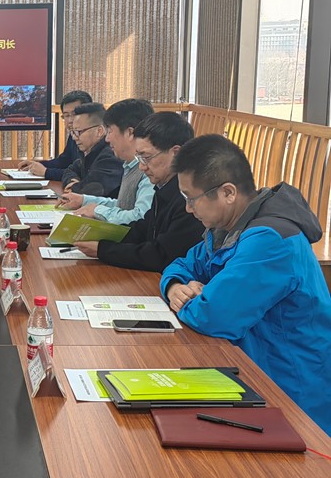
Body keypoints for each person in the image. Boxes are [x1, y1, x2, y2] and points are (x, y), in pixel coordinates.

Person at [161, 135, 331, 435]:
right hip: (253, 369)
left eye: (191, 198)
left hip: (292, 391)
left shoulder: (270, 240)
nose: (188, 209)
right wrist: (175, 287)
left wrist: (195, 300)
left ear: (227, 192)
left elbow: (214, 316)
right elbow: (182, 265)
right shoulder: (226, 230)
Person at [75, 112, 204, 271]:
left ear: (176, 153)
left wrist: (104, 250)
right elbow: (142, 230)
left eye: (146, 157)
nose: (142, 167)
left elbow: (161, 255)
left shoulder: (189, 197)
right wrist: (97, 237)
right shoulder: (163, 187)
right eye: (139, 158)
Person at [57, 98, 154, 224]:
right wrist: (83, 200)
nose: (107, 139)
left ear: (130, 133)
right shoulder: (130, 165)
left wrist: (97, 211)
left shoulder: (149, 170)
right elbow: (123, 205)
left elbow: (141, 216)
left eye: (110, 131)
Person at [18, 89, 91, 180]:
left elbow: (84, 175)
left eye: (75, 114)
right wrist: (37, 164)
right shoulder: (74, 134)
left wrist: (46, 172)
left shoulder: (95, 138)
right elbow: (63, 162)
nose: (70, 120)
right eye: (66, 115)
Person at [60, 102, 123, 196]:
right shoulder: (90, 152)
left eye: (78, 132)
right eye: (73, 132)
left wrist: (73, 187)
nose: (74, 137)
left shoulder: (110, 156)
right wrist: (71, 182)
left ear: (99, 131)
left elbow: (90, 191)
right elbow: (70, 170)